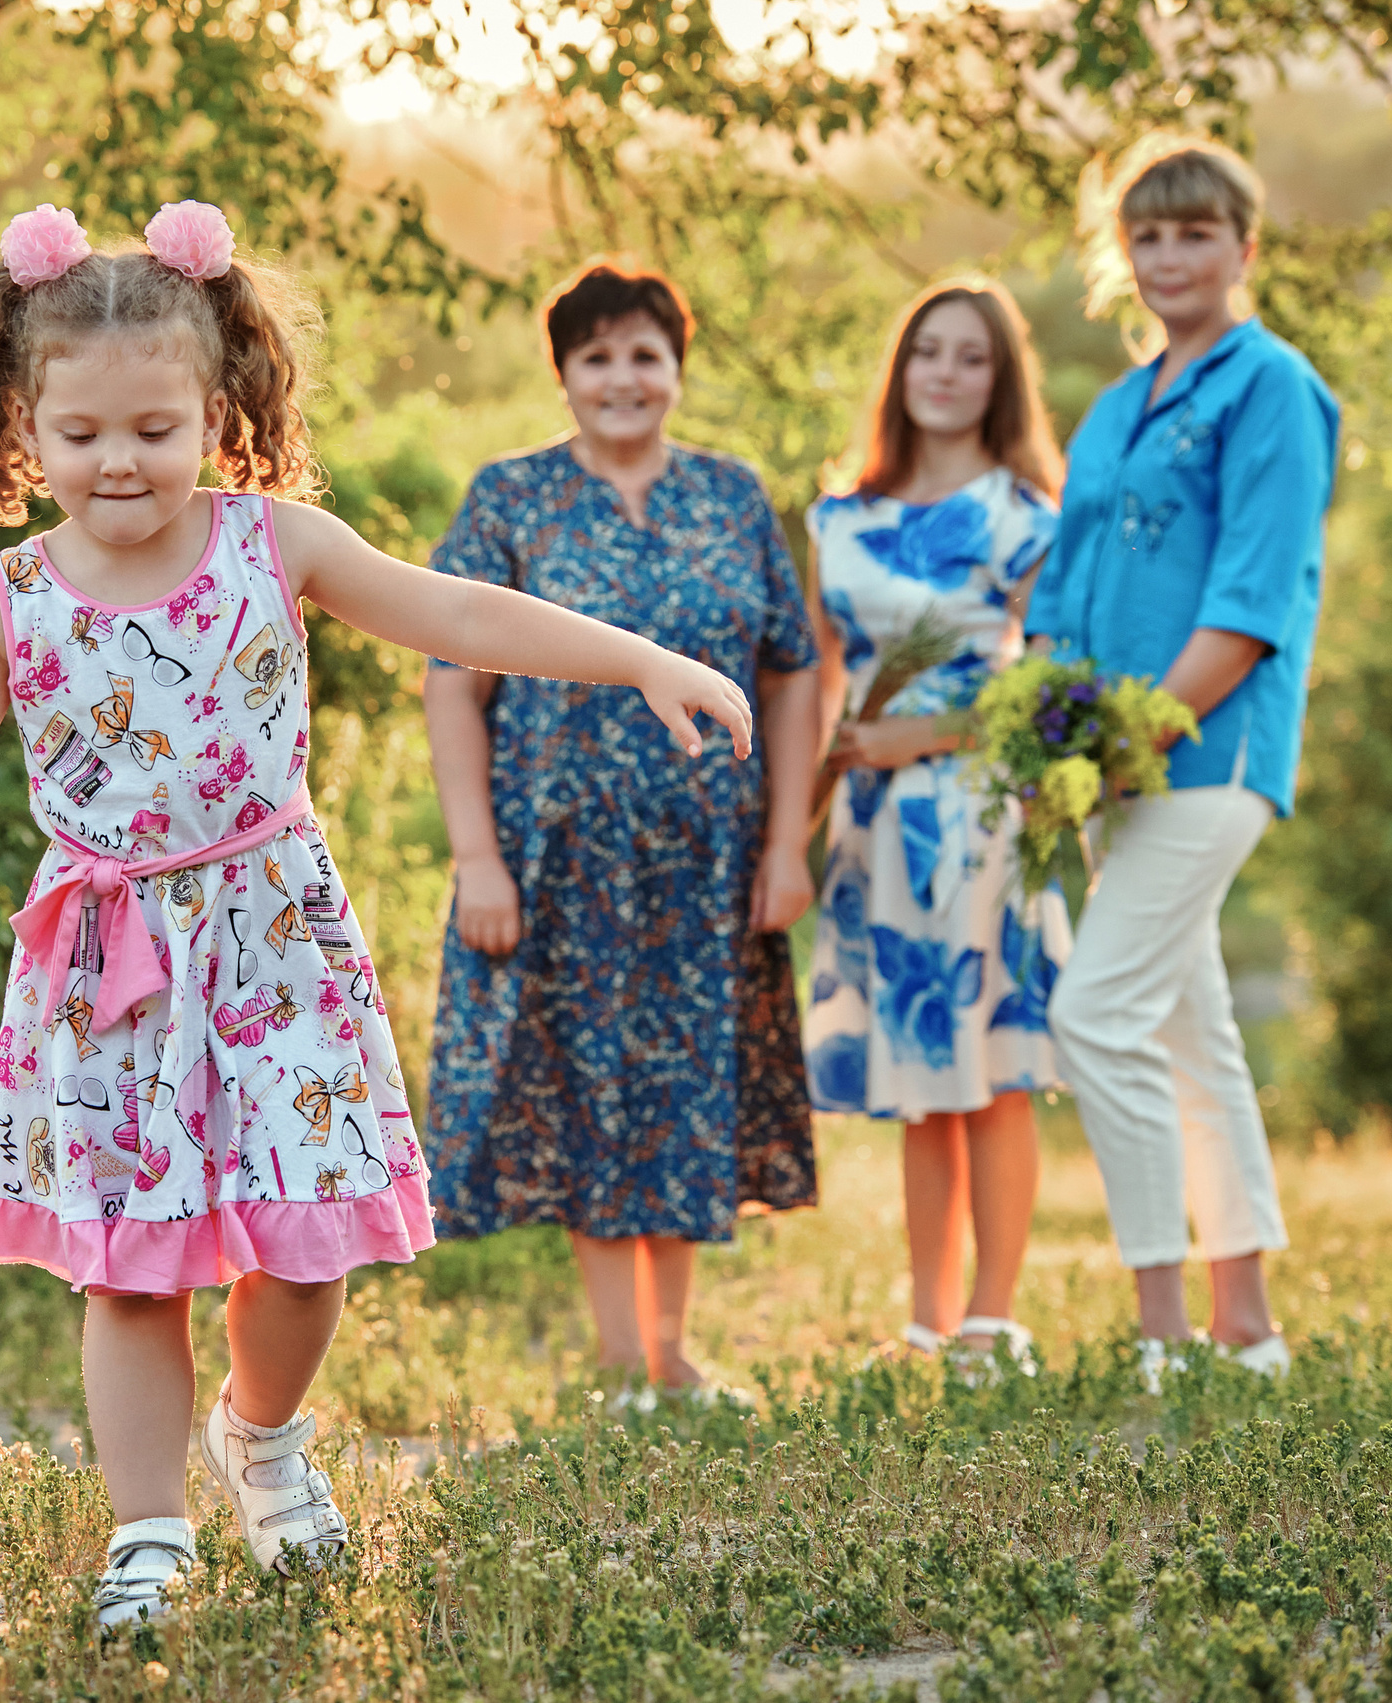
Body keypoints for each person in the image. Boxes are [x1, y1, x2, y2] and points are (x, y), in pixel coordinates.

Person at [0, 204, 755, 1628]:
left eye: (156, 429)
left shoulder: (274, 545)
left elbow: (464, 614)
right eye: (85, 431)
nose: (120, 461)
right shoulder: (13, 600)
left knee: (305, 1248)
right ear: (21, 426)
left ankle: (266, 1437)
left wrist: (642, 658)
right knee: (130, 1269)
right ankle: (149, 1530)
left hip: (275, 942)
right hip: (109, 969)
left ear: (217, 412)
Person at [422, 257, 821, 1399]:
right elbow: (453, 682)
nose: (622, 377)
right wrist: (476, 857)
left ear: (676, 369)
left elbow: (792, 673)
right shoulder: (511, 499)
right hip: (557, 857)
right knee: (588, 1087)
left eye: (644, 353)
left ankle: (671, 1348)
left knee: (687, 1083)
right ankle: (615, 1359)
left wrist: (786, 841)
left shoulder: (732, 498)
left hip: (707, 858)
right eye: (595, 355)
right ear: (563, 373)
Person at [1028, 137, 1339, 1391]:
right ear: (1125, 254)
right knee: (1189, 1031)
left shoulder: (1272, 389)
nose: (1170, 257)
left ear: (1242, 249)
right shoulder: (1113, 409)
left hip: (1205, 758)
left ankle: (1163, 1335)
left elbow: (1252, 599)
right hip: (1104, 766)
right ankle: (1247, 1328)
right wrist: (1052, 734)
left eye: (1195, 233)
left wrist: (1125, 738)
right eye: (1148, 236)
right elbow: (1061, 589)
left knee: (1094, 1015)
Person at [802, 277, 1071, 1374]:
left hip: (983, 814)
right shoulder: (838, 517)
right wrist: (797, 830)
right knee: (920, 1074)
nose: (946, 374)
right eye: (927, 353)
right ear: (900, 371)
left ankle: (992, 1317)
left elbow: (1054, 693)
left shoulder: (1029, 517)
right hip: (871, 826)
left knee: (994, 1063)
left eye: (971, 357)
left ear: (1000, 379)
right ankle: (926, 1318)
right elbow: (821, 688)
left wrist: (931, 737)